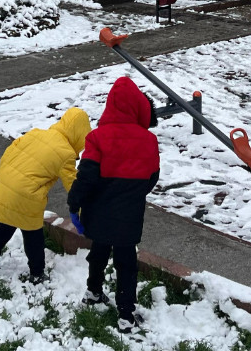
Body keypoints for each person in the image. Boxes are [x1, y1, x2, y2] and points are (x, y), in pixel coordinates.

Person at [67, 77, 160, 334]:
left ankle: (93, 292)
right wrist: (132, 194)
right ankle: (126, 314)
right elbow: (152, 176)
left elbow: (86, 175)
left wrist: (75, 203)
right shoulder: (148, 140)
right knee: (126, 263)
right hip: (129, 214)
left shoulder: (97, 137)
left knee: (98, 252)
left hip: (98, 211)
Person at [0, 106, 92, 283]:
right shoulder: (65, 153)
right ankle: (37, 274)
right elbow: (75, 188)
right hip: (26, 194)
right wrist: (87, 213)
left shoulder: (36, 133)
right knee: (33, 235)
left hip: (5, 183)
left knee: (5, 226)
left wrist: (9, 179)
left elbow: (9, 152)